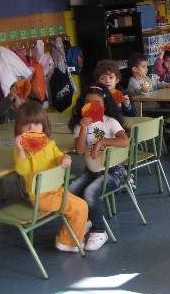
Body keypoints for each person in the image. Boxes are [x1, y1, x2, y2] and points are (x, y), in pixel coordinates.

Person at [13, 101, 89, 252]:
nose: (31, 129)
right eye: (26, 125)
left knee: (82, 205)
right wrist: (20, 150)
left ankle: (68, 238)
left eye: (36, 124)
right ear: (19, 128)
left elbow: (59, 156)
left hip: (57, 191)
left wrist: (65, 158)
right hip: (40, 197)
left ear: (44, 125)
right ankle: (66, 241)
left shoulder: (49, 143)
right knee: (79, 208)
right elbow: (22, 171)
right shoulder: (22, 150)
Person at [67, 84, 130, 251]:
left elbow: (125, 141)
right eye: (87, 102)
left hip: (113, 171)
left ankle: (99, 230)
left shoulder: (109, 122)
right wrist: (83, 129)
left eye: (97, 103)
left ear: (105, 105)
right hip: (91, 171)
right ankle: (86, 220)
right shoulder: (81, 126)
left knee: (90, 192)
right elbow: (80, 151)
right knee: (70, 191)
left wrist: (101, 141)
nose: (91, 106)